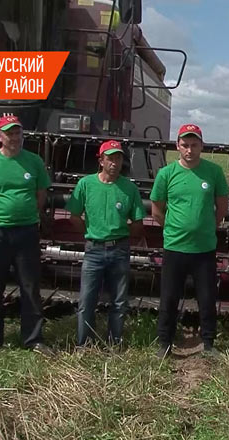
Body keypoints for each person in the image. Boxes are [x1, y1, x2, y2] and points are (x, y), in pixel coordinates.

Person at [0, 115, 52, 354]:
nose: (15, 137)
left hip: (26, 231)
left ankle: (33, 339)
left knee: (30, 286)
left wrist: (25, 215)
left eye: (18, 133)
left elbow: (41, 195)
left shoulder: (34, 162)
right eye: (9, 133)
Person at [150, 124, 229, 358]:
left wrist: (207, 226)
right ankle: (164, 343)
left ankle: (208, 344)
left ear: (202, 146)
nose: (190, 150)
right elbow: (156, 210)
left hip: (204, 248)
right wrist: (174, 229)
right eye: (185, 145)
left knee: (206, 298)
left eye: (194, 145)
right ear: (177, 146)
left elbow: (222, 206)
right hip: (175, 247)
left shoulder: (213, 172)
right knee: (169, 298)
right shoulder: (166, 174)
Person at [66, 140, 145, 346]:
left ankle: (114, 344)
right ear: (101, 161)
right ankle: (84, 344)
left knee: (119, 301)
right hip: (94, 249)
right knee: (86, 301)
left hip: (119, 249)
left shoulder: (129, 188)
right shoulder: (85, 184)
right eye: (110, 158)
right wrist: (92, 233)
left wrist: (118, 234)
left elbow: (138, 223)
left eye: (118, 158)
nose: (114, 163)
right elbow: (74, 215)